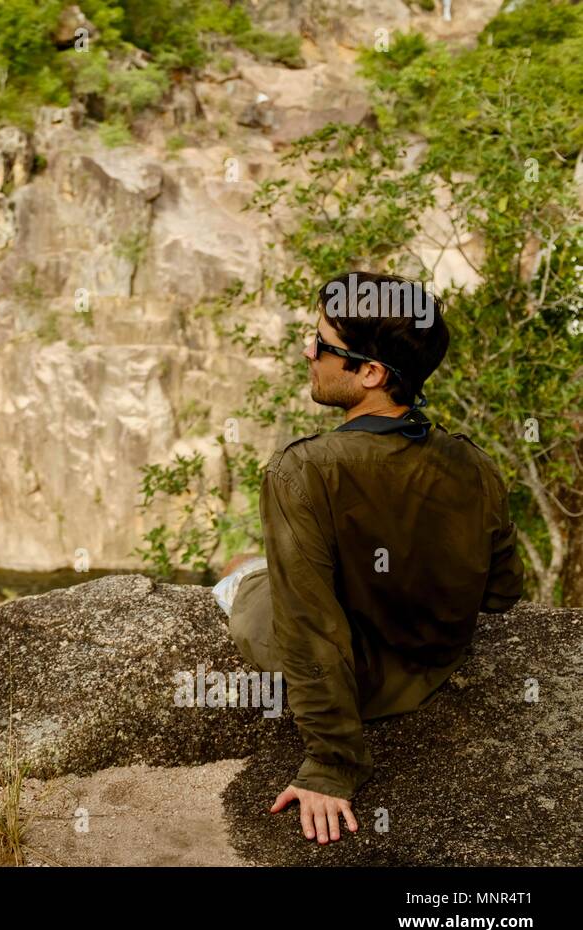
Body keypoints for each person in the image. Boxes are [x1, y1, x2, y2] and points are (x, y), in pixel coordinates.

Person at [213, 271, 524, 845]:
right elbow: (504, 592)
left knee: (239, 575)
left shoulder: (302, 469)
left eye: (323, 345)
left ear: (371, 374)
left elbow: (309, 629)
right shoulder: (475, 464)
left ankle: (239, 578)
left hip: (361, 680)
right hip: (433, 667)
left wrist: (332, 765)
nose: (308, 351)